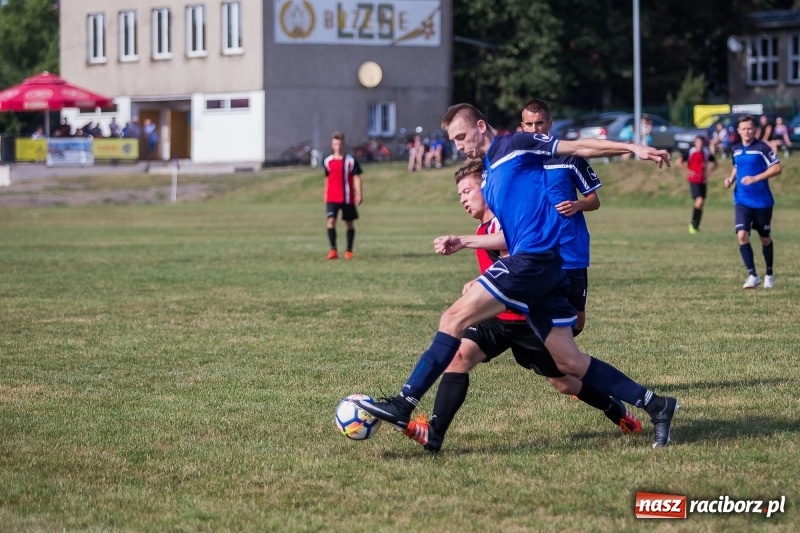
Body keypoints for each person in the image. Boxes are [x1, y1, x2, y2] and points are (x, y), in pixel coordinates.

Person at [355, 103, 679, 449]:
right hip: (544, 266)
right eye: (454, 141)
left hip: (533, 262)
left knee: (452, 318)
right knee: (570, 361)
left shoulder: (515, 145)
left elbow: (578, 146)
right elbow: (511, 234)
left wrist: (633, 148)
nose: (460, 146)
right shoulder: (492, 173)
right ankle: (658, 405)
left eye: (463, 136)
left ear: (481, 125)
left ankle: (404, 404)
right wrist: (464, 240)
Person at [401, 160, 641, 452]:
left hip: (528, 320)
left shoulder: (505, 219)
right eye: (459, 195)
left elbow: (515, 256)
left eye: (467, 191)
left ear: (486, 189)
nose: (463, 199)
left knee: (564, 382)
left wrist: (477, 271)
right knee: (459, 357)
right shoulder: (484, 225)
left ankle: (615, 410)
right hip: (498, 319)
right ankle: (434, 434)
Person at [723, 115, 782, 289]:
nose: (747, 131)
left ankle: (769, 273)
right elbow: (736, 166)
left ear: (755, 130)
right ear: (739, 131)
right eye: (743, 128)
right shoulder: (735, 149)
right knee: (742, 235)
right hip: (742, 200)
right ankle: (752, 275)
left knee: (765, 239)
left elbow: (777, 168)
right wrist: (731, 179)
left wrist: (756, 178)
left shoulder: (762, 148)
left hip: (762, 202)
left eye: (750, 128)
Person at [323, 131, 363, 260]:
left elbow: (356, 178)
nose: (338, 147)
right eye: (335, 144)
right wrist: (325, 194)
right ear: (332, 145)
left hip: (347, 198)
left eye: (340, 144)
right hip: (332, 198)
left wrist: (359, 194)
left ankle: (349, 250)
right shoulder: (327, 161)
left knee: (349, 223)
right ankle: (333, 250)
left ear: (343, 145)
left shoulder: (350, 161)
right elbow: (327, 178)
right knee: (331, 221)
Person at [676, 136, 717, 234]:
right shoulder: (690, 152)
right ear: (695, 143)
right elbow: (678, 162)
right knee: (699, 201)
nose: (699, 144)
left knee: (701, 203)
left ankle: (696, 226)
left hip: (703, 181)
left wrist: (708, 173)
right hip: (694, 180)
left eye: (701, 142)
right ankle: (693, 224)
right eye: (698, 142)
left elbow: (716, 164)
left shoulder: (706, 153)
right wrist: (688, 172)